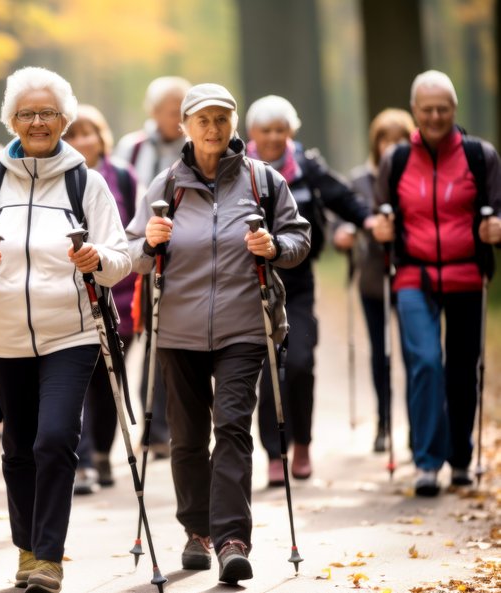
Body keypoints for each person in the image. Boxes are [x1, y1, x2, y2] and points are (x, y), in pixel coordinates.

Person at [0, 66, 131, 593]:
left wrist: (98, 259)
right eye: (27, 113)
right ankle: (26, 550)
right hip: (1, 336)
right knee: (19, 446)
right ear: (12, 121)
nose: (38, 122)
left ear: (65, 120)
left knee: (54, 440)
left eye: (48, 113)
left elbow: (122, 258)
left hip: (71, 333)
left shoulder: (84, 182)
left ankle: (48, 557)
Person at [126, 83, 310, 584]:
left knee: (232, 427)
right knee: (186, 438)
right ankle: (196, 532)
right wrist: (149, 240)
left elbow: (299, 238)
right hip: (177, 331)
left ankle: (232, 539)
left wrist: (273, 246)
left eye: (221, 119)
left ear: (234, 126)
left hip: (244, 327)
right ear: (185, 126)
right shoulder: (166, 186)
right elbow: (132, 255)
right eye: (202, 120)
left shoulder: (262, 181)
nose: (212, 129)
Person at [372, 70, 501, 496]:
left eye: (442, 108)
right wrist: (382, 228)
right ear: (414, 112)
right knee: (425, 362)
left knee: (462, 370)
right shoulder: (397, 160)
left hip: (466, 273)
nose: (435, 116)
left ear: (454, 109)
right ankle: (427, 462)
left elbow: (497, 209)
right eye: (426, 109)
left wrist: (496, 228)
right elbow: (380, 211)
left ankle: (460, 458)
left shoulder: (481, 156)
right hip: (414, 274)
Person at [245, 95, 374, 486]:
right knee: (269, 367)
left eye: (280, 130)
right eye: (265, 130)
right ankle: (273, 451)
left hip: (297, 280)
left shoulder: (306, 166)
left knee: (299, 362)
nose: (273, 137)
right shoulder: (239, 168)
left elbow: (342, 197)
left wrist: (370, 220)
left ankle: (301, 441)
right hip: (249, 284)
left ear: (291, 132)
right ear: (252, 133)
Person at [115, 75, 192, 459]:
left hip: (184, 256)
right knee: (138, 336)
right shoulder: (132, 149)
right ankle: (127, 426)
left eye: (182, 108)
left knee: (163, 341)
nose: (175, 116)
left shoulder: (196, 147)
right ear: (153, 111)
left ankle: (157, 429)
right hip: (140, 252)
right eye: (168, 109)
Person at [63, 104, 138, 494]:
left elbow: (135, 236)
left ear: (102, 136)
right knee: (80, 376)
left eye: (86, 133)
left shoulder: (123, 178)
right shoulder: (56, 182)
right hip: (71, 299)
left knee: (110, 382)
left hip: (120, 300)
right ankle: (84, 460)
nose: (80, 142)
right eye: (72, 135)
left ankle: (103, 453)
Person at [337, 109, 415, 453]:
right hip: (372, 277)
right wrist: (345, 234)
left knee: (414, 353)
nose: (392, 147)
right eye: (386, 140)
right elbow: (345, 218)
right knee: (380, 351)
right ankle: (383, 421)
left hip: (411, 273)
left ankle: (417, 425)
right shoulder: (359, 180)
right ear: (376, 143)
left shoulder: (415, 176)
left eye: (399, 140)